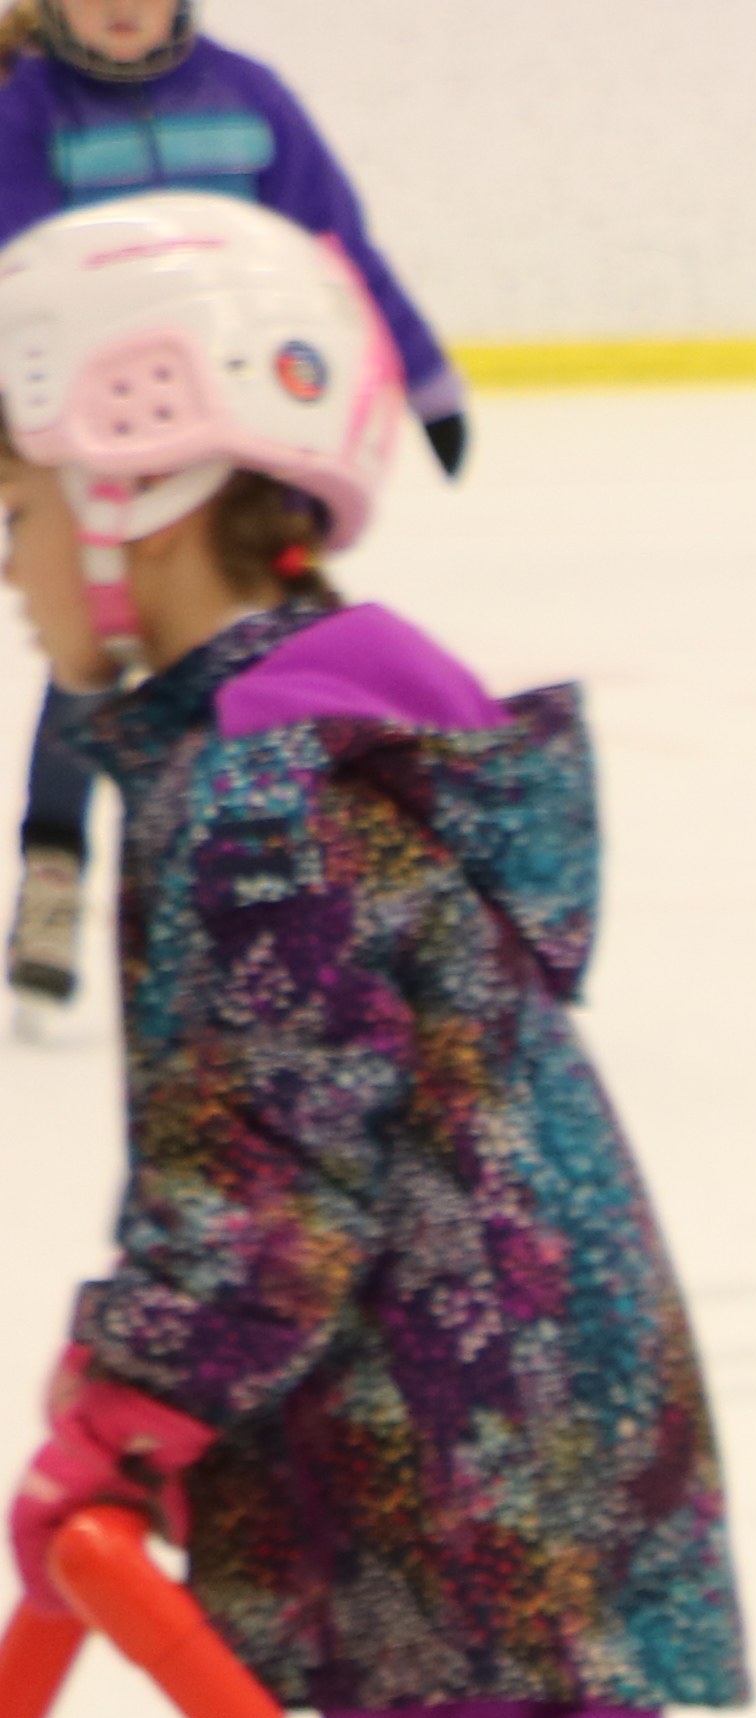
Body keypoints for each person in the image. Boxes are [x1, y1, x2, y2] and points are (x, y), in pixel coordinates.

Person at [0, 198, 756, 1718]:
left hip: (500, 1457)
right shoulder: (244, 745)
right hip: (414, 1447)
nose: (14, 570)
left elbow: (273, 1174)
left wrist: (126, 1393)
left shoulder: (271, 787)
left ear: (143, 484)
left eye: (22, 513)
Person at [0, 0, 461, 1028]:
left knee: (255, 646)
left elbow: (340, 250)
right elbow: (14, 269)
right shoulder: (28, 109)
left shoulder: (248, 97)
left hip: (247, 449)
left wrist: (427, 380)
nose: (121, 6)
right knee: (103, 656)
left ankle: (264, 886)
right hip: (98, 438)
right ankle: (56, 870)